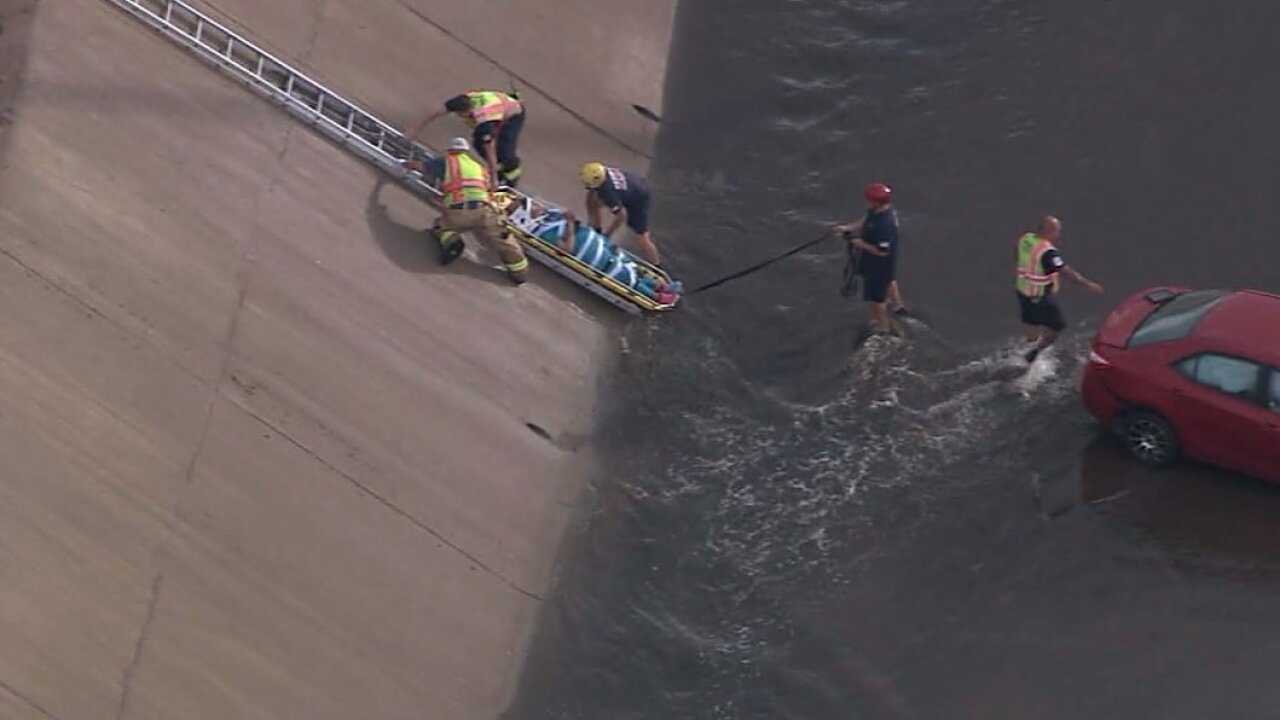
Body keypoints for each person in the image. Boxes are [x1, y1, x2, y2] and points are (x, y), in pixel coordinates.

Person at [426, 137, 529, 285]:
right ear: (466, 151)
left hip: (460, 213)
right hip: (486, 211)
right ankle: (520, 273)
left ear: (450, 150)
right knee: (505, 241)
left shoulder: (447, 161)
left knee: (441, 227)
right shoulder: (479, 168)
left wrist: (408, 165)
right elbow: (489, 190)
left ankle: (453, 243)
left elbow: (421, 167)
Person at [1015, 215, 1104, 362]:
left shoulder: (1026, 239)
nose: (1059, 234)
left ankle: (1029, 345)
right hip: (1040, 295)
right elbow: (1065, 271)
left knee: (1031, 321)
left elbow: (1017, 252)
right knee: (1057, 326)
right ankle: (1035, 352)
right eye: (1057, 231)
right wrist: (1088, 284)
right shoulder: (1048, 252)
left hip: (1023, 289)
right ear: (1049, 232)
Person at [408, 89, 525, 188]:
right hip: (499, 105)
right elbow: (436, 112)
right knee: (478, 142)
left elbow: (489, 147)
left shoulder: (484, 119)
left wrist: (493, 176)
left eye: (461, 115)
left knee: (505, 151)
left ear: (468, 110)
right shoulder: (460, 101)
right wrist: (415, 129)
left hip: (513, 114)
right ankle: (499, 168)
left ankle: (511, 177)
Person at [833, 182, 908, 335]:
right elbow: (867, 220)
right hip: (885, 267)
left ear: (876, 202)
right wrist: (847, 228)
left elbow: (882, 252)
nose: (865, 202)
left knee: (876, 301)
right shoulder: (882, 210)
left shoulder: (885, 225)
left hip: (878, 267)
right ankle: (898, 307)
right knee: (889, 281)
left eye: (868, 199)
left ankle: (883, 328)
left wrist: (858, 243)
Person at [579, 162, 661, 266]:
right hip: (633, 185)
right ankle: (596, 230)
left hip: (638, 200)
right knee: (591, 200)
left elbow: (622, 216)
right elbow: (592, 193)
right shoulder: (601, 172)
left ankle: (657, 266)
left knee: (642, 238)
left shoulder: (609, 193)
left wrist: (608, 235)